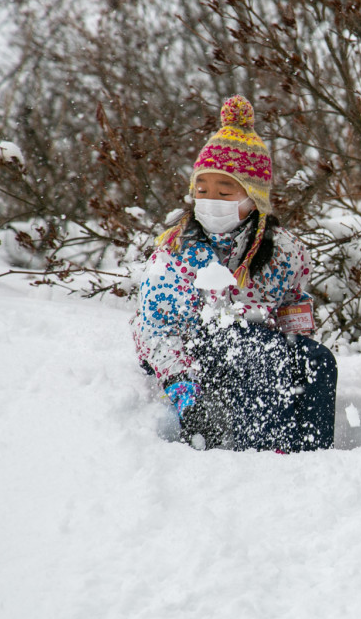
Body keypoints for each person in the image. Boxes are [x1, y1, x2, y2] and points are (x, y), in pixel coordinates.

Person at [132, 95, 336, 451]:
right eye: (202, 189)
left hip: (259, 345)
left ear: (253, 198)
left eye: (225, 191)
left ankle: (313, 456)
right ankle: (262, 456)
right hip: (192, 352)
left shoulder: (284, 251)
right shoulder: (177, 251)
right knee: (259, 353)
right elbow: (157, 330)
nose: (210, 199)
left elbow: (293, 303)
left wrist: (295, 343)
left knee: (318, 361)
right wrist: (186, 395)